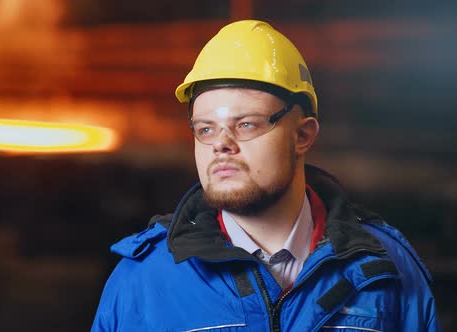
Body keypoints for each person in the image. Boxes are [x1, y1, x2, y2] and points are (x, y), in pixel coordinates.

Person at [92, 20, 440, 331]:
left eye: (246, 125)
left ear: (303, 135)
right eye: (206, 129)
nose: (222, 145)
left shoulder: (387, 269)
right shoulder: (145, 281)